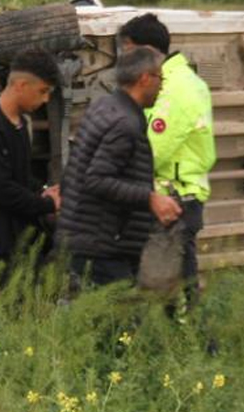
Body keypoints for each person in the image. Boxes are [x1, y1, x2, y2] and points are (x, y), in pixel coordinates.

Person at [59, 46, 181, 287]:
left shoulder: (104, 106)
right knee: (122, 321)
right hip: (103, 247)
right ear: (145, 78)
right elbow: (96, 179)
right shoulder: (125, 124)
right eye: (160, 78)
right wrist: (149, 198)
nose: (162, 86)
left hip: (87, 239)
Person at [118, 13, 217, 307]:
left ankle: (196, 345)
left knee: (177, 287)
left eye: (127, 52)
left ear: (146, 51)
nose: (123, 62)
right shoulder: (167, 82)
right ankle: (184, 342)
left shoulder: (178, 87)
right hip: (166, 196)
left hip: (176, 199)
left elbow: (154, 147)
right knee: (168, 285)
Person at [0, 48, 61, 280]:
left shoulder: (18, 123)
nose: (45, 99)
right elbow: (0, 189)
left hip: (21, 241)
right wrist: (46, 204)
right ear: (21, 85)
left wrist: (45, 191)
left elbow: (20, 175)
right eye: (43, 91)